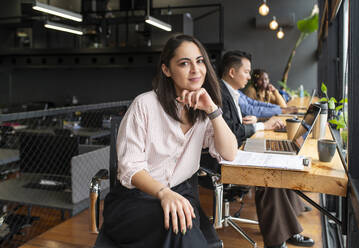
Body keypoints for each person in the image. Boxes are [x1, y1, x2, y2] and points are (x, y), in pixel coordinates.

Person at [102, 35, 238, 248]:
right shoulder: (144, 105)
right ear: (166, 70)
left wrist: (212, 110)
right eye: (184, 63)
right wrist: (164, 193)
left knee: (180, 220)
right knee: (178, 225)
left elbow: (229, 153)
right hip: (134, 201)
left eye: (200, 61)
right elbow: (131, 169)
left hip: (181, 194)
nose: (195, 69)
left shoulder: (203, 109)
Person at [219, 50, 314, 248]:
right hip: (224, 156)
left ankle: (290, 218)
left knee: (278, 158)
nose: (248, 76)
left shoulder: (231, 92)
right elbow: (232, 131)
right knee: (270, 173)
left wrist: (260, 120)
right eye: (246, 72)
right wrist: (262, 125)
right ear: (231, 72)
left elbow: (248, 113)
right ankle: (278, 239)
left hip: (237, 147)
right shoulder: (220, 93)